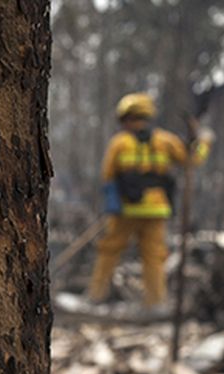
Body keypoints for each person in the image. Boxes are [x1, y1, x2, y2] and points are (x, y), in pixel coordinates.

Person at [87, 93, 211, 308]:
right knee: (154, 257)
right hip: (156, 209)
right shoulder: (165, 140)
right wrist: (204, 142)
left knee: (109, 251)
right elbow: (192, 159)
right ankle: (155, 302)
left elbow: (107, 176)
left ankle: (95, 297)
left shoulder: (119, 142)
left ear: (125, 118)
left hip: (126, 209)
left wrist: (111, 205)